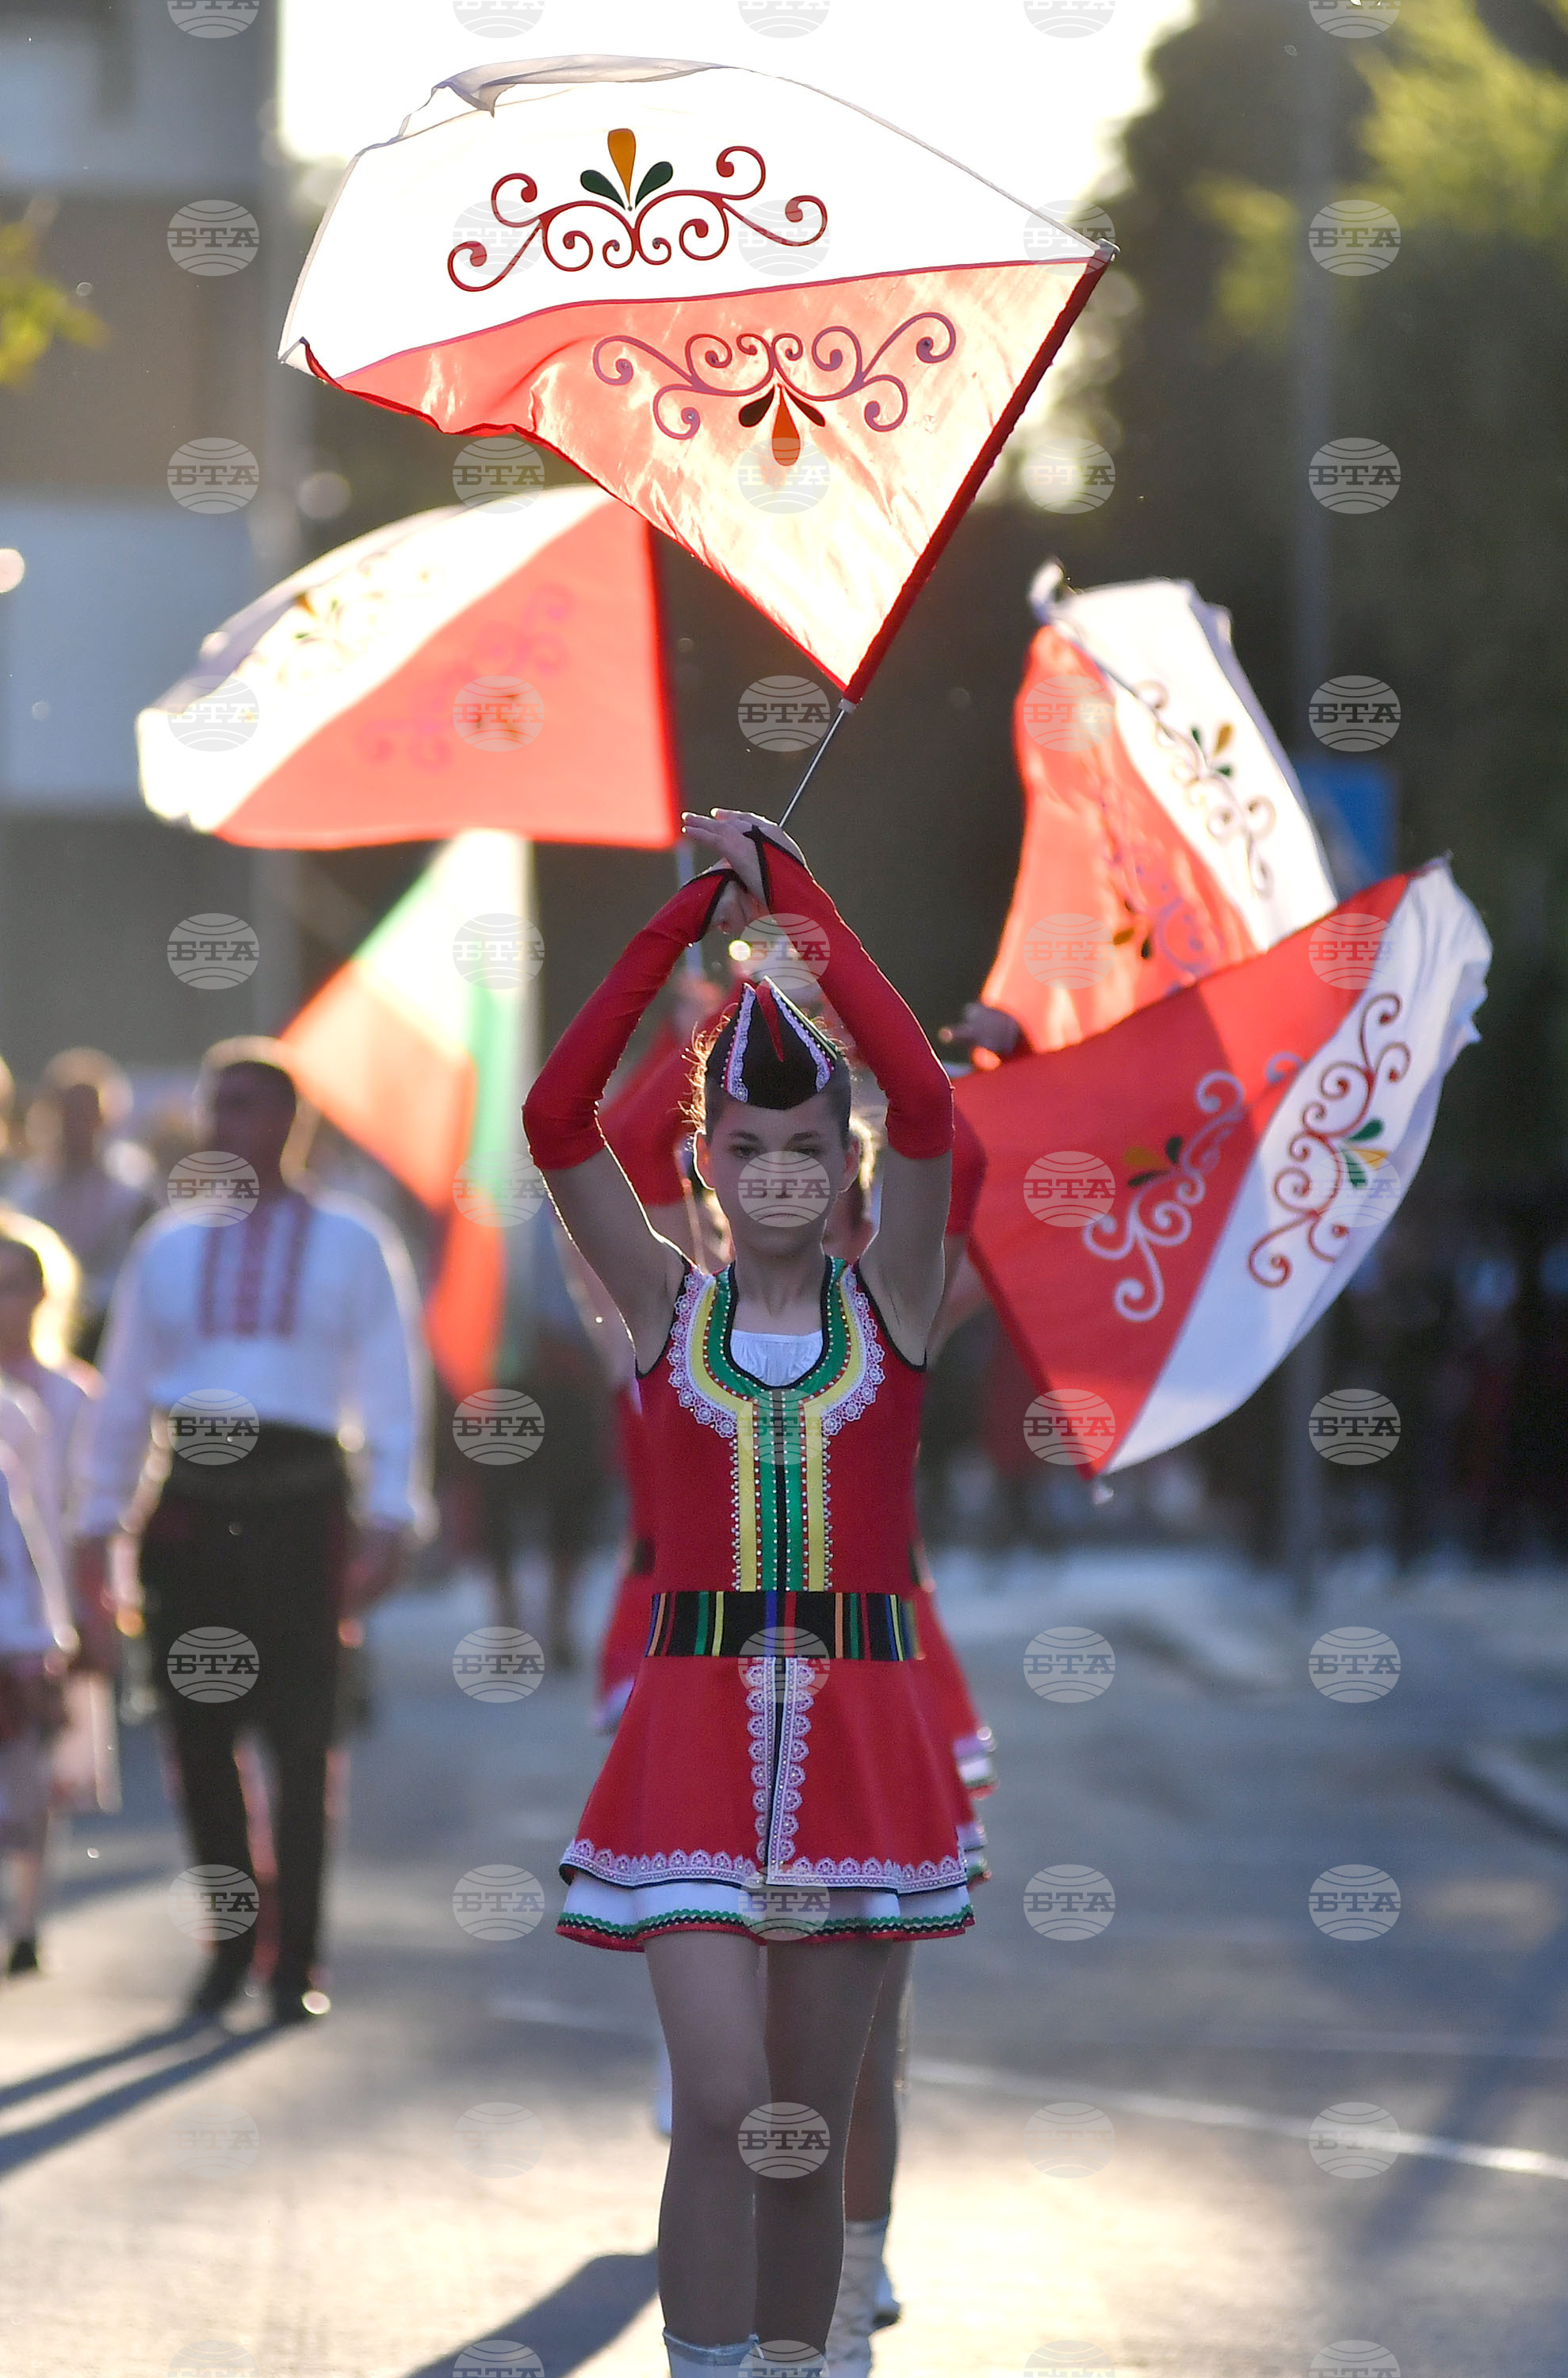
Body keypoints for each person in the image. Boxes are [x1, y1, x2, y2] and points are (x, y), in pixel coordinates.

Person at [524, 811, 969, 2378]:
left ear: (841, 1167)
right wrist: (689, 923)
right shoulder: (661, 1307)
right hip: (692, 1744)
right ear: (703, 1162)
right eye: (746, 1148)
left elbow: (930, 1105)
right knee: (717, 2104)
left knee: (799, 2124)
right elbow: (556, 1114)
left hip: (860, 1749)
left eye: (805, 1151)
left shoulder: (893, 1301)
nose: (776, 1175)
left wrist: (796, 903)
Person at [74, 1042, 427, 2025]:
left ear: (288, 1122)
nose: (224, 1124)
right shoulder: (168, 1244)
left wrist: (392, 1513)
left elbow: (394, 1385)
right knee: (198, 1735)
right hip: (192, 1503)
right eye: (215, 1105)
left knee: (303, 1737)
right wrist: (96, 1524)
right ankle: (229, 1948)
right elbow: (125, 1391)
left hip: (303, 1504)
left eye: (244, 1105)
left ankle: (295, 1957)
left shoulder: (354, 1240)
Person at [10, 1049, 158, 1361]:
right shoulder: (26, 1190)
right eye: (70, 1111)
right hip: (44, 1322)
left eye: (88, 1112)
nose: (79, 1123)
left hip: (112, 1327)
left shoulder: (133, 1190)